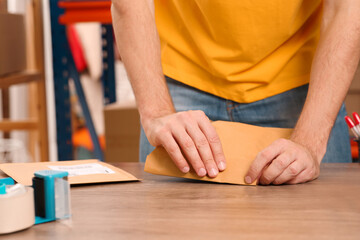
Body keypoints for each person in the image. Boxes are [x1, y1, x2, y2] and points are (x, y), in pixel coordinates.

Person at [111, 0, 360, 185]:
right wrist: (157, 112)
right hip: (181, 87)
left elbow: (349, 8)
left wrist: (310, 141)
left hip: (303, 90)